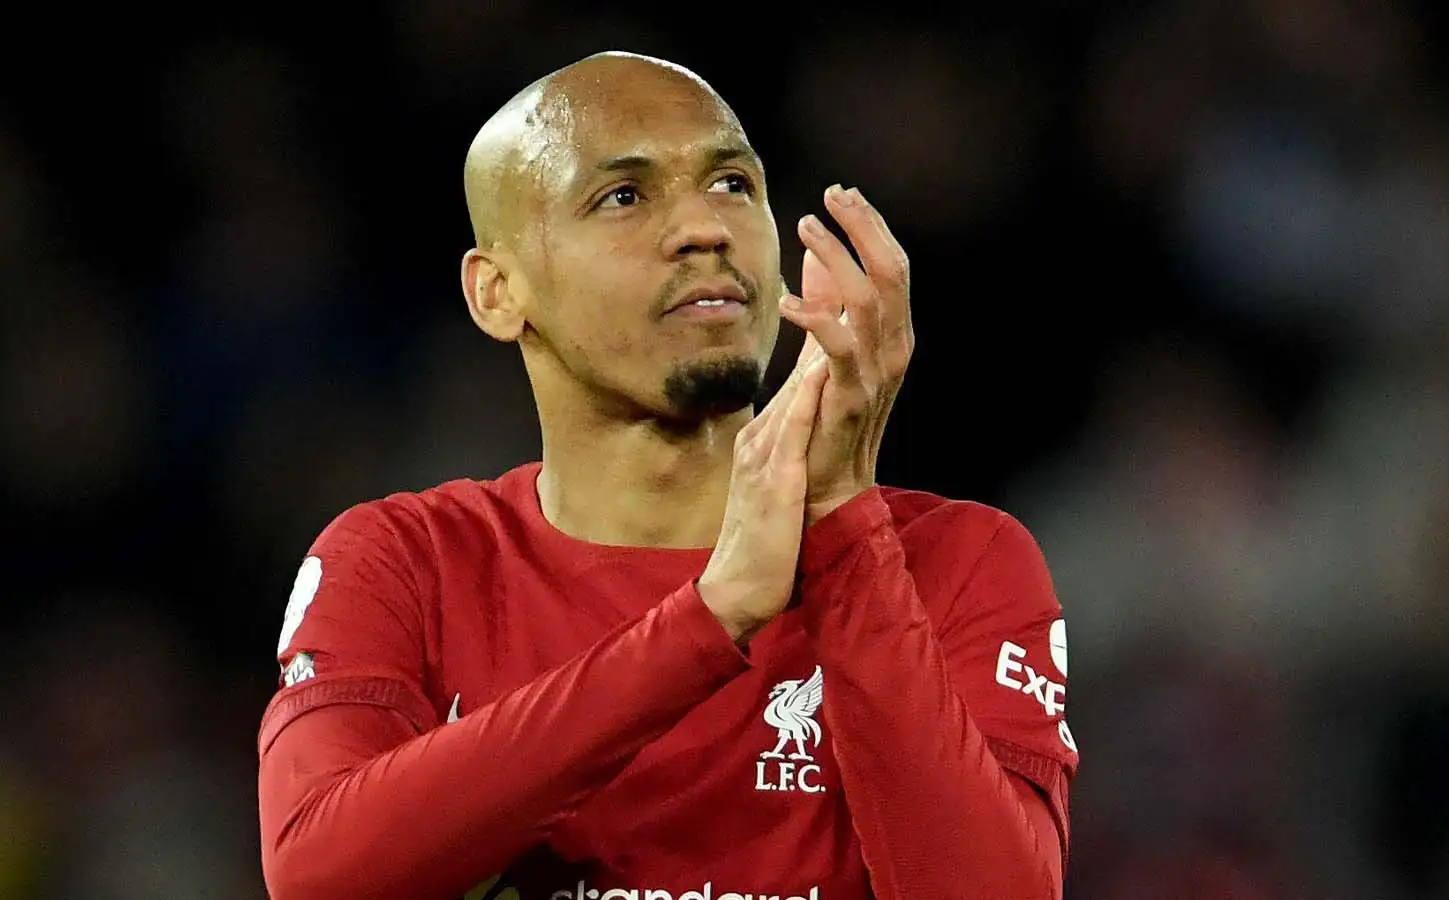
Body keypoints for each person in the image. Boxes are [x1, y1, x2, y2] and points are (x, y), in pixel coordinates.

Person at [256, 51, 1079, 900]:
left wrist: (842, 526)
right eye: (624, 196)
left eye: (731, 184)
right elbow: (321, 878)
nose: (704, 227)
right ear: (498, 291)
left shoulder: (957, 560)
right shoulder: (406, 563)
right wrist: (710, 619)